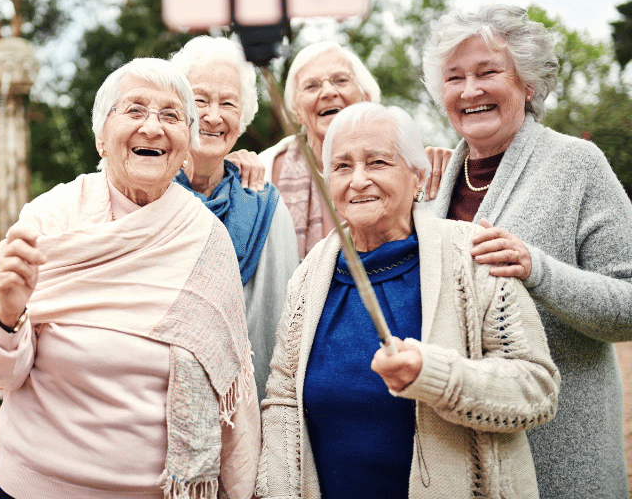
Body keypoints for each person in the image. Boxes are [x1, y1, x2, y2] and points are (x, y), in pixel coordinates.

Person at [0, 58, 260, 499]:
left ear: (186, 144)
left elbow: (229, 384)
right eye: (135, 110)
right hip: (32, 487)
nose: (153, 128)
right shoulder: (52, 216)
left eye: (171, 115)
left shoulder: (206, 240)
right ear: (101, 137)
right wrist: (7, 312)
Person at [256, 101, 559, 499]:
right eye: (343, 167)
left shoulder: (472, 257)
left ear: (418, 176)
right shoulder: (311, 273)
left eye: (378, 162)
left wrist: (432, 376)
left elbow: (536, 390)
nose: (358, 180)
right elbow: (282, 401)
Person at [422, 4, 632, 498]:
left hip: (557, 449)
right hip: (457, 454)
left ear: (528, 84)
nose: (470, 90)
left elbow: (629, 306)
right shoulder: (433, 186)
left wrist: (538, 270)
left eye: (488, 72)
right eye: (454, 78)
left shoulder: (578, 164)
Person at [234, 40, 451, 260]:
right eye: (312, 86)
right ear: (295, 111)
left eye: (340, 80)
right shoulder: (264, 169)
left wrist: (457, 165)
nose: (328, 92)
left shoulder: (409, 163)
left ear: (365, 97)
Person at [170, 36, 299, 402]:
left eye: (228, 103)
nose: (213, 115)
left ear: (241, 118)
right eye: (200, 99)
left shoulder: (267, 208)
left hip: (248, 404)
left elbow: (282, 324)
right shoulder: (146, 198)